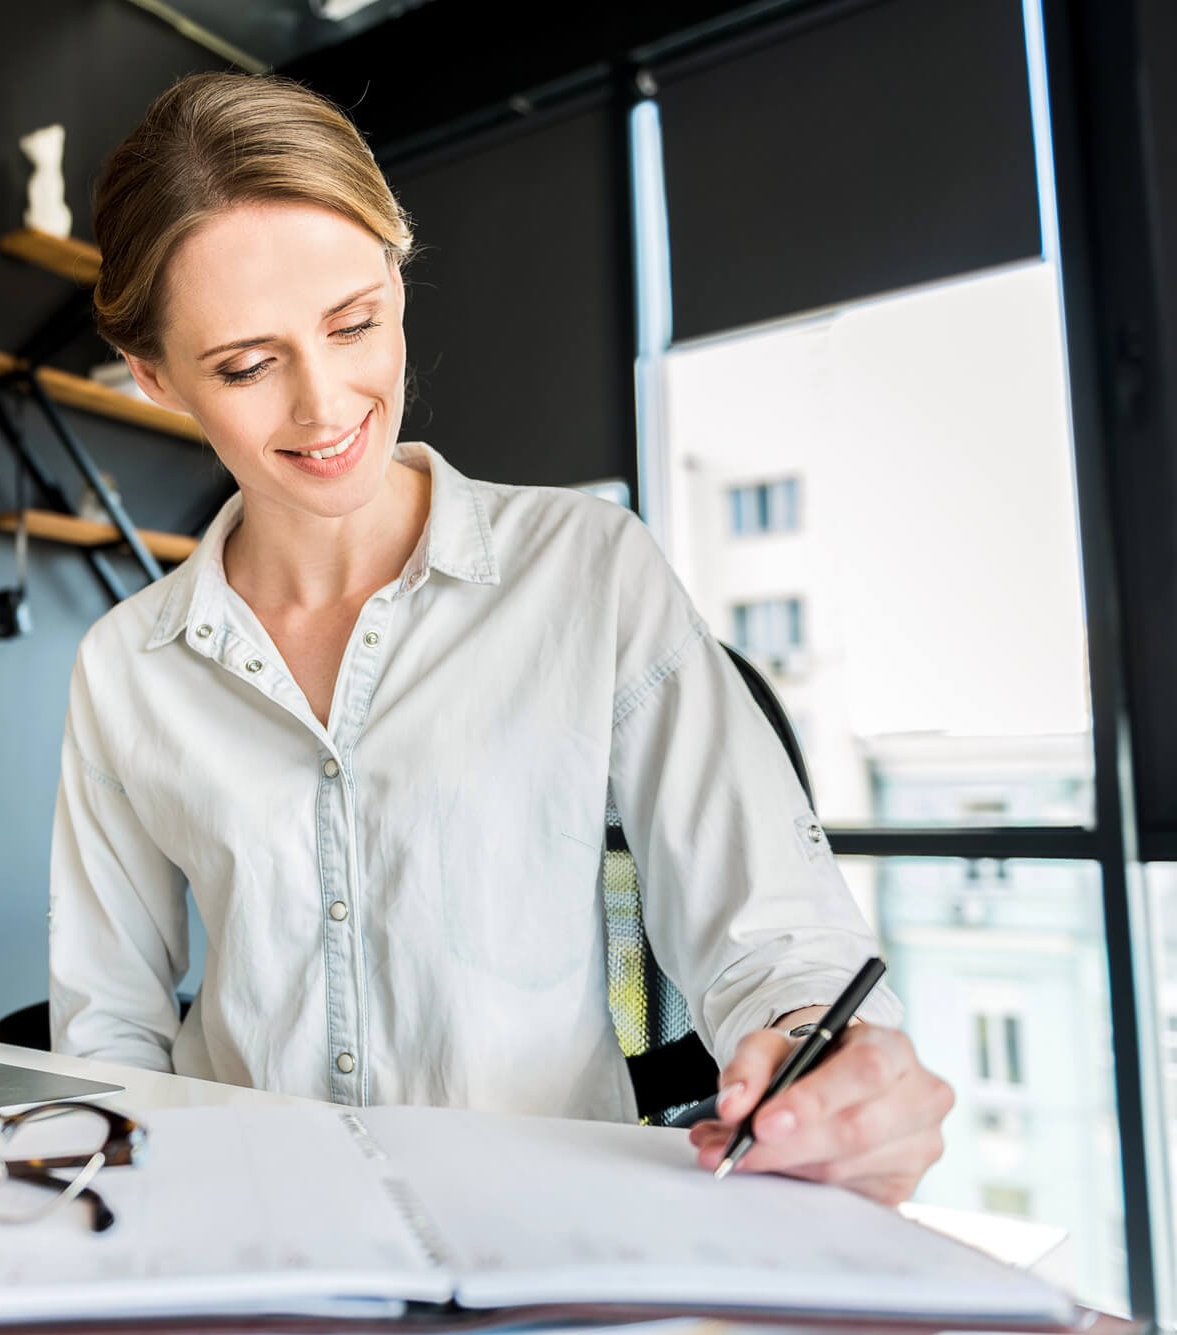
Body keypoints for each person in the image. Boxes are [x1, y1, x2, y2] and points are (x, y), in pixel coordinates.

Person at [47, 71, 952, 1206]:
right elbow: (108, 1028)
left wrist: (827, 1055)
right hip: (245, 1229)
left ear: (396, 276)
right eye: (245, 365)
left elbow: (772, 935)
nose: (325, 407)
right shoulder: (128, 669)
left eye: (354, 323)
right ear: (152, 375)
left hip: (544, 1236)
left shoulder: (587, 569)